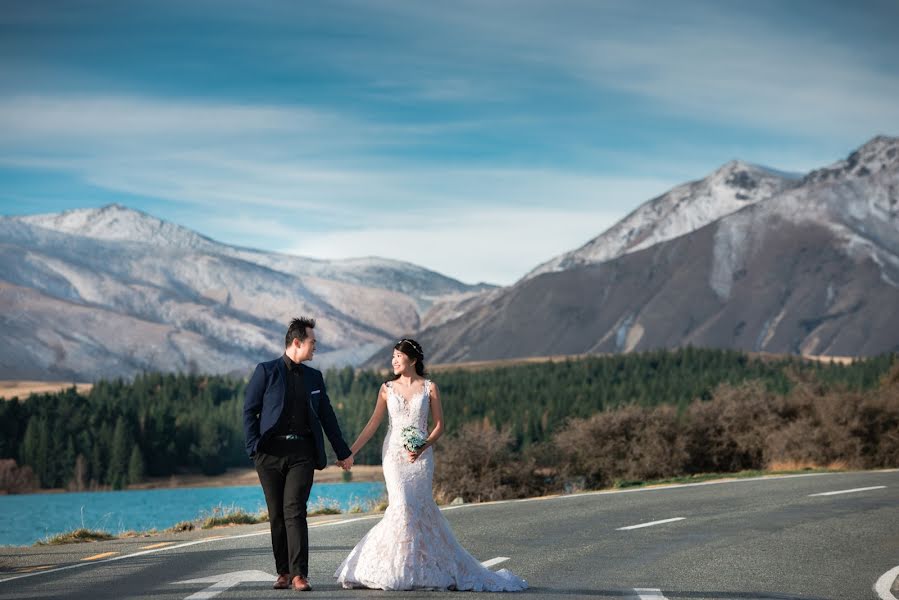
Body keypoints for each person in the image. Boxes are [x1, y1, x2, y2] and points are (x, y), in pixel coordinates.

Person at [334, 339, 528, 591]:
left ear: (413, 360)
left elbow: (440, 426)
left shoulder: (429, 388)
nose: (393, 360)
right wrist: (350, 453)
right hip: (393, 455)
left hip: (421, 458)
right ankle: (395, 568)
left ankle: (423, 568)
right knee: (401, 506)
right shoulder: (386, 388)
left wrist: (422, 446)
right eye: (392, 356)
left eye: (398, 356)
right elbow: (373, 424)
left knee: (420, 509)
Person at [243, 317, 354, 592]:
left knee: (295, 509)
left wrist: (343, 452)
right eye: (312, 342)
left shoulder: (314, 378)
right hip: (269, 454)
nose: (315, 347)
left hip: (302, 453)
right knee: (276, 514)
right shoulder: (266, 372)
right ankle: (282, 572)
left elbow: (327, 417)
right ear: (296, 342)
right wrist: (253, 447)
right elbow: (249, 410)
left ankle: (299, 575)